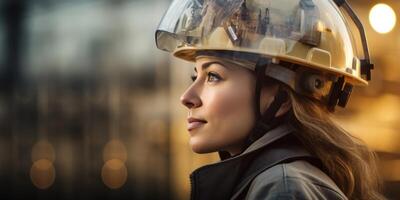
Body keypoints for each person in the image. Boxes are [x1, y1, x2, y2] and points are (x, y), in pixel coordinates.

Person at [155, 0, 385, 199]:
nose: (187, 97)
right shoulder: (274, 182)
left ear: (280, 98)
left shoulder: (283, 189)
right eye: (196, 76)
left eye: (213, 76)